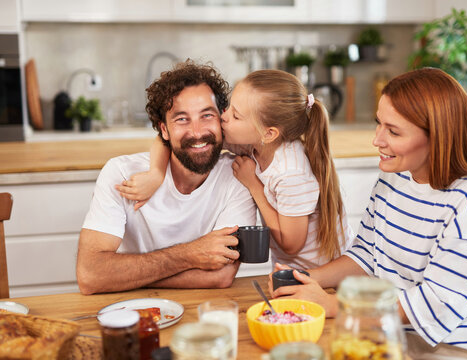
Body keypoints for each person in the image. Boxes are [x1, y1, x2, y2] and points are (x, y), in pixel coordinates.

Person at [269, 68, 467, 359]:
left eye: (393, 131)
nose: (377, 139)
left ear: (437, 136)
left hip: (464, 346)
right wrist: (304, 278)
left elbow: (436, 304)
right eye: (379, 124)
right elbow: (366, 255)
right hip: (395, 332)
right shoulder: (394, 179)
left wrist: (330, 305)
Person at [116, 69, 355, 270]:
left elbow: (292, 244)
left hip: (328, 277)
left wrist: (254, 185)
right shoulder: (252, 141)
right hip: (293, 271)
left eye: (236, 115)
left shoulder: (292, 172)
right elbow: (172, 139)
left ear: (268, 133)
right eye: (229, 107)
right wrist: (155, 175)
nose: (223, 117)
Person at [76, 60, 256, 295]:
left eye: (206, 115)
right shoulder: (121, 174)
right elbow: (91, 275)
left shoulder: (240, 176)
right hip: (134, 314)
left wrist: (127, 277)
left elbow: (221, 276)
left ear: (222, 119)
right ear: (164, 130)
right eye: (182, 119)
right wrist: (190, 254)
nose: (197, 132)